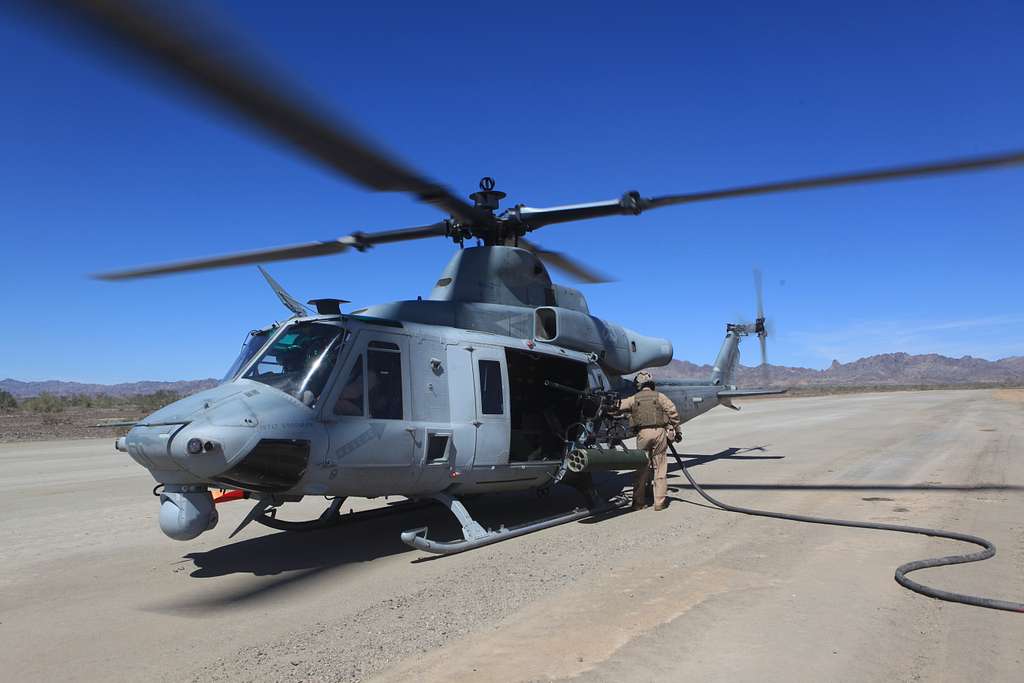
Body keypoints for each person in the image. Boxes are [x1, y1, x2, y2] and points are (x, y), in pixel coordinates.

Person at [616, 371, 681, 511]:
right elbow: (673, 412)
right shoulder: (660, 396)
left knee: (641, 467)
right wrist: (677, 429)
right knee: (660, 467)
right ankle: (659, 502)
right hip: (659, 433)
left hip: (643, 435)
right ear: (651, 383)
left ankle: (638, 503)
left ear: (638, 384)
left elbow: (618, 406)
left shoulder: (633, 398)